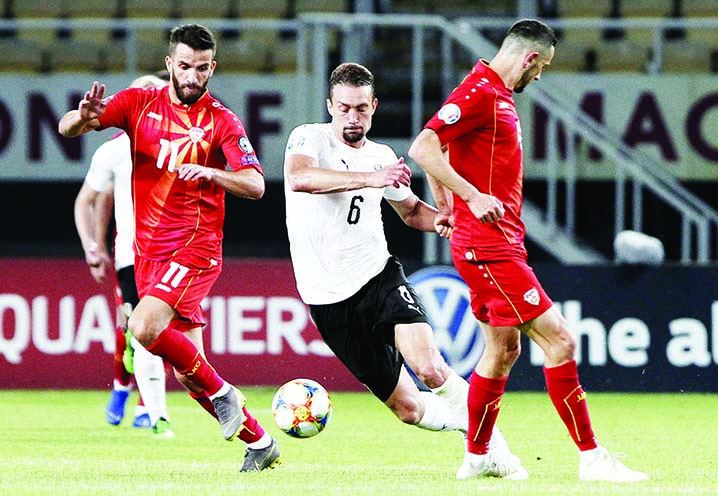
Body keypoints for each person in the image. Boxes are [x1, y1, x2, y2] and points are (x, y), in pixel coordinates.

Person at [408, 19, 649, 482]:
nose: (538, 79)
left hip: (494, 243)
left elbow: (438, 144)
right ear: (530, 58)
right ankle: (592, 459)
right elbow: (424, 147)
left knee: (501, 351)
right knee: (560, 339)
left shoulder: (490, 92)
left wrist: (445, 202)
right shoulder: (481, 91)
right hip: (489, 247)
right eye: (541, 69)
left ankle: (477, 457)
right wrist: (471, 198)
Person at [283, 62, 526, 479]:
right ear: (330, 105)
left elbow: (412, 212)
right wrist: (371, 178)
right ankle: (473, 431)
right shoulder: (308, 137)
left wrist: (449, 220)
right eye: (344, 108)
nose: (352, 117)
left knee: (430, 366)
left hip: (379, 277)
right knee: (409, 410)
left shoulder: (382, 156)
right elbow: (300, 177)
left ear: (374, 106)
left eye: (361, 108)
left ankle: (493, 449)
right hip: (327, 301)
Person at [59, 23, 280, 471]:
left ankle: (222, 394)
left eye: (201, 68)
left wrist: (214, 174)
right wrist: (82, 116)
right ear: (169, 65)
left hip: (196, 249)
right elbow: (67, 128)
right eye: (184, 66)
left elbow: (256, 184)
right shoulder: (138, 104)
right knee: (188, 371)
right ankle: (259, 442)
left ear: (212, 68)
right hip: (148, 254)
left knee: (142, 328)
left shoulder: (222, 121)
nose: (192, 76)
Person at [74, 73, 175, 438]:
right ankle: (134, 397)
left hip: (175, 252)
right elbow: (90, 199)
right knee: (135, 329)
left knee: (162, 331)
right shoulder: (115, 149)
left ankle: (146, 405)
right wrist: (93, 245)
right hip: (132, 255)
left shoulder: (178, 142)